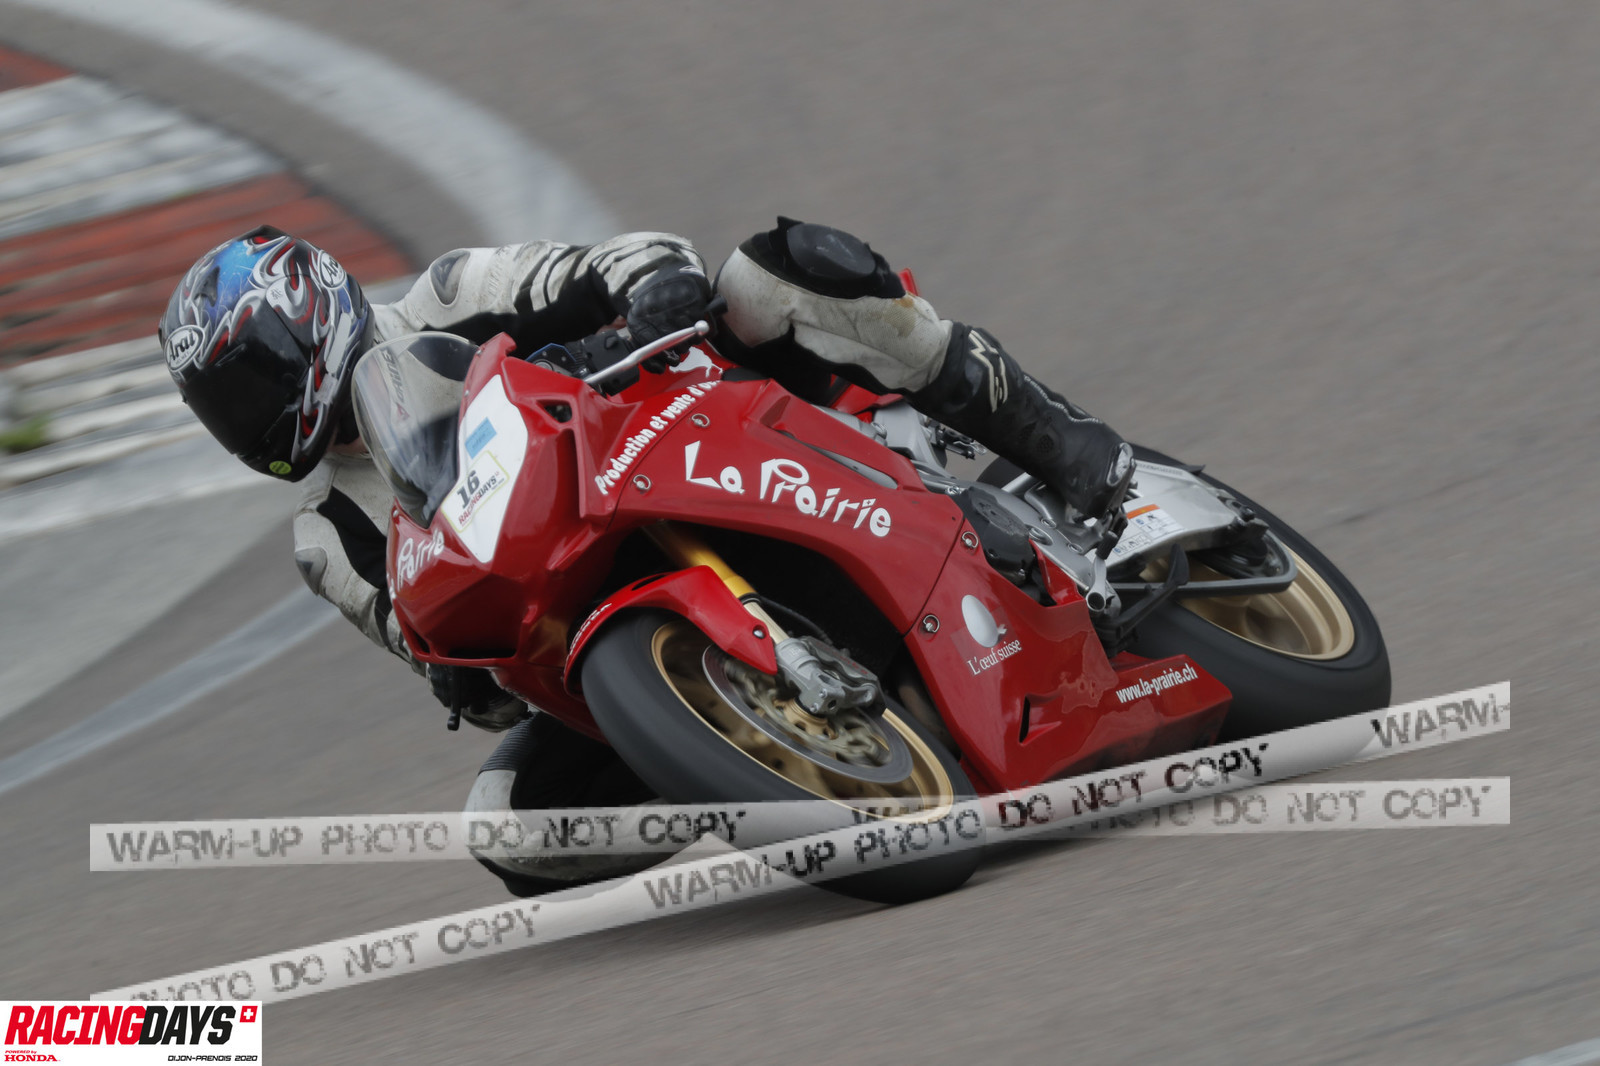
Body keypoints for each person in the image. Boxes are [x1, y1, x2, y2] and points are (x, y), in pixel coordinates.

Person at [157, 216, 1132, 776]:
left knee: (772, 274)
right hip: (580, 617)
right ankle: (751, 763)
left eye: (252, 384)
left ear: (307, 320)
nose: (249, 421)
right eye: (223, 410)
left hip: (688, 431)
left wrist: (641, 305)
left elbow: (630, 256)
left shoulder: (450, 296)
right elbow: (431, 653)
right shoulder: (327, 535)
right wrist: (455, 673)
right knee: (510, 824)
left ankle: (1054, 438)